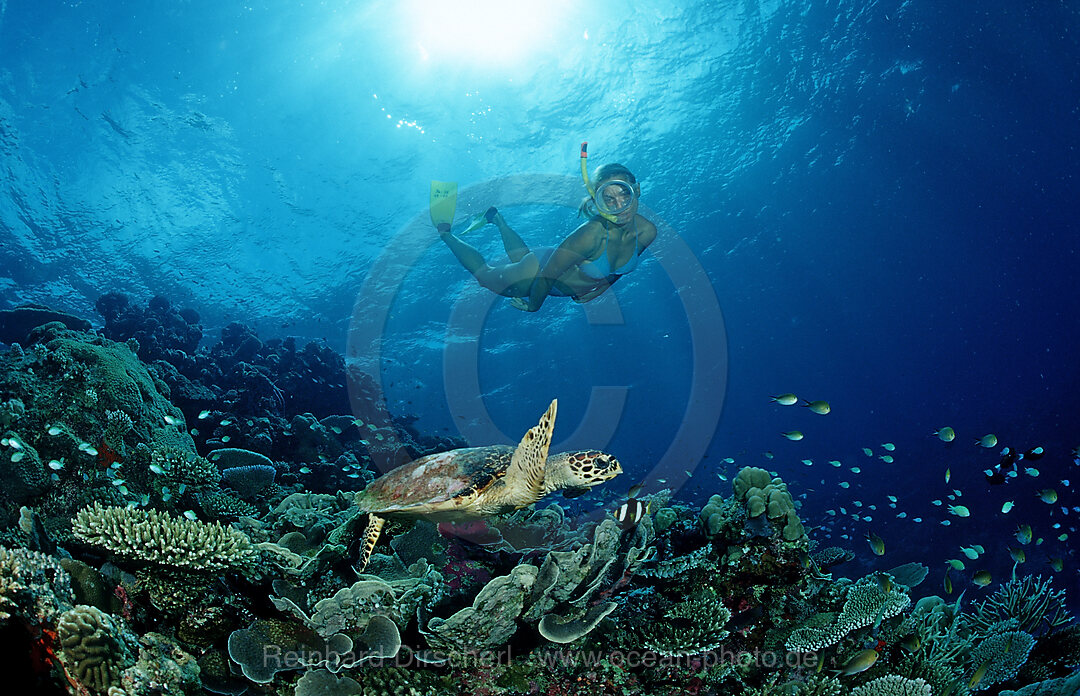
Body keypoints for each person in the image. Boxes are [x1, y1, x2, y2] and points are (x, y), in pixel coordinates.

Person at [435, 151, 657, 312]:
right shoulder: (591, 234)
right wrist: (534, 305)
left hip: (549, 261)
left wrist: (600, 290)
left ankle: (497, 220)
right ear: (597, 202)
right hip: (539, 274)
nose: (620, 205)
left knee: (522, 257)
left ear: (637, 190)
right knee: (485, 277)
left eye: (625, 194)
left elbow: (617, 270)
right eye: (608, 199)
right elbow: (545, 277)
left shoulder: (647, 232)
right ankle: (444, 231)